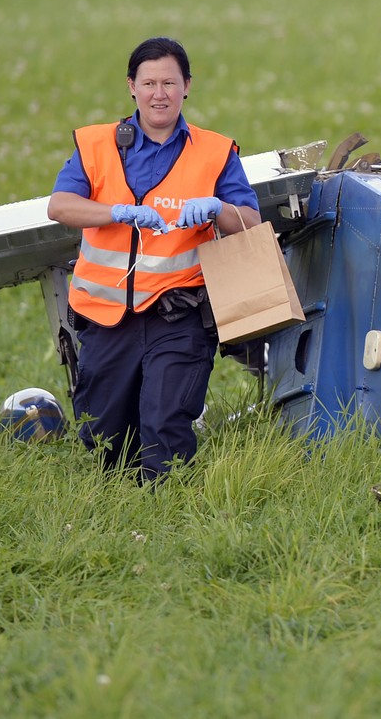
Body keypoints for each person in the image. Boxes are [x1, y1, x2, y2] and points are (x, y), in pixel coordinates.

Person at [48, 36, 261, 482]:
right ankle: (121, 510)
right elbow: (60, 206)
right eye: (148, 83)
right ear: (131, 86)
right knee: (104, 438)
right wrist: (116, 212)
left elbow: (249, 223)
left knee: (165, 424)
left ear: (187, 86)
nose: (159, 93)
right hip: (106, 317)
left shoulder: (216, 151)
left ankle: (167, 510)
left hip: (177, 314)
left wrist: (217, 209)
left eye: (169, 82)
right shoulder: (95, 145)